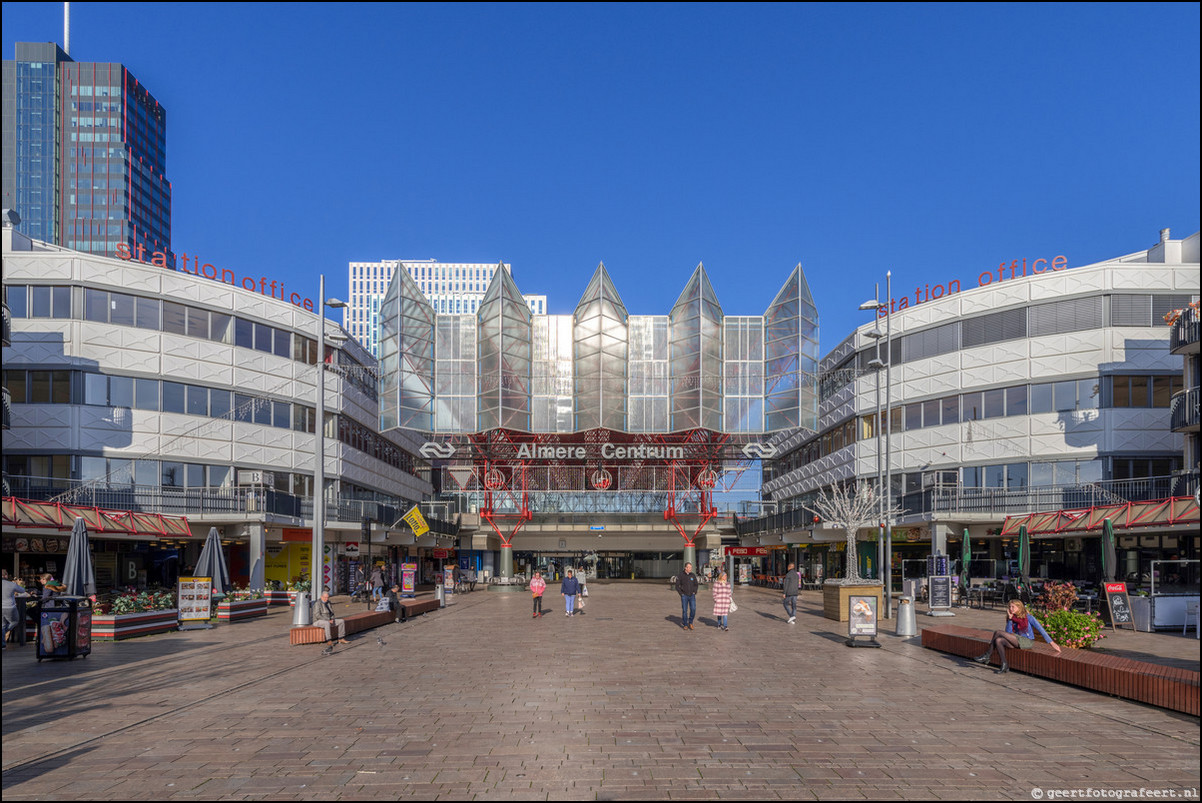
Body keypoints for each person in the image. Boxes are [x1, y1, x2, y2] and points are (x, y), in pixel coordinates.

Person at [973, 599, 1061, 674]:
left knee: (997, 632)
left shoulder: (1028, 617)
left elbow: (1041, 630)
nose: (1011, 609)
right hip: (1016, 640)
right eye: (1010, 607)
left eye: (1013, 607)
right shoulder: (1012, 617)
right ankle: (1004, 665)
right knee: (999, 640)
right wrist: (1010, 620)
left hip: (1027, 641)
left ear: (1019, 608)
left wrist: (1052, 643)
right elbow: (1008, 633)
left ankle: (987, 655)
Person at [3, 570, 29, 649]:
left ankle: (3, 644)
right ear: (6, 576)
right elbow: (22, 590)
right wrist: (17, 583)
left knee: (2, 625)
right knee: (15, 621)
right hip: (10, 607)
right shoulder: (11, 584)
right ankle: (3, 630)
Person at [675, 562, 699, 630]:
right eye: (689, 567)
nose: (690, 569)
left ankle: (690, 622)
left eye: (691, 567)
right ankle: (685, 624)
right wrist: (681, 594)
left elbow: (696, 584)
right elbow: (677, 586)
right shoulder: (680, 575)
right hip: (684, 596)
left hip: (692, 596)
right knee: (685, 610)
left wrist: (694, 592)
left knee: (693, 609)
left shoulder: (693, 575)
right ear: (685, 568)